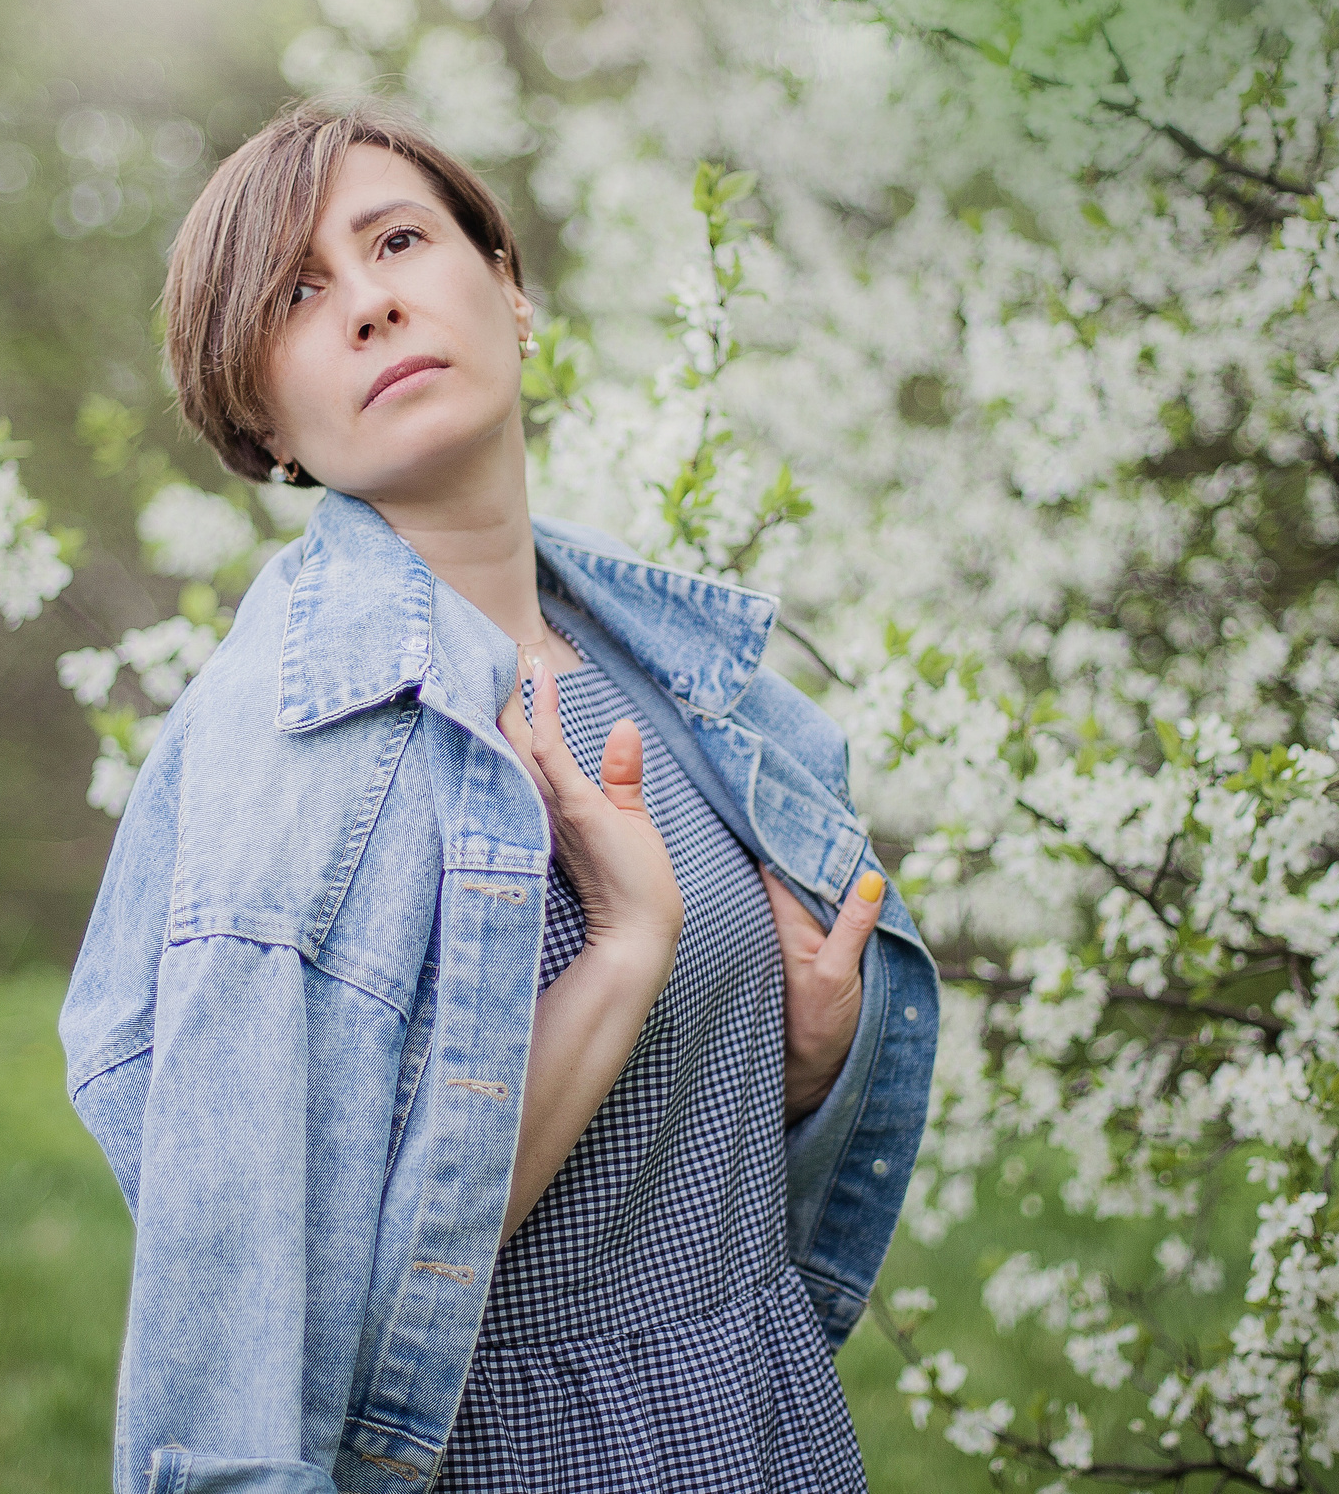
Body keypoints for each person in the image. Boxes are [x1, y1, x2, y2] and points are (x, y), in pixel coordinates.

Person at [58, 98, 937, 1494]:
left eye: (396, 239)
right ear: (264, 424)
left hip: (757, 1426)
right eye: (297, 296)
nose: (370, 305)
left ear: (509, 292)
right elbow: (287, 1320)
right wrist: (629, 947)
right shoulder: (296, 748)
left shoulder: (658, 671)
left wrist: (794, 1069)